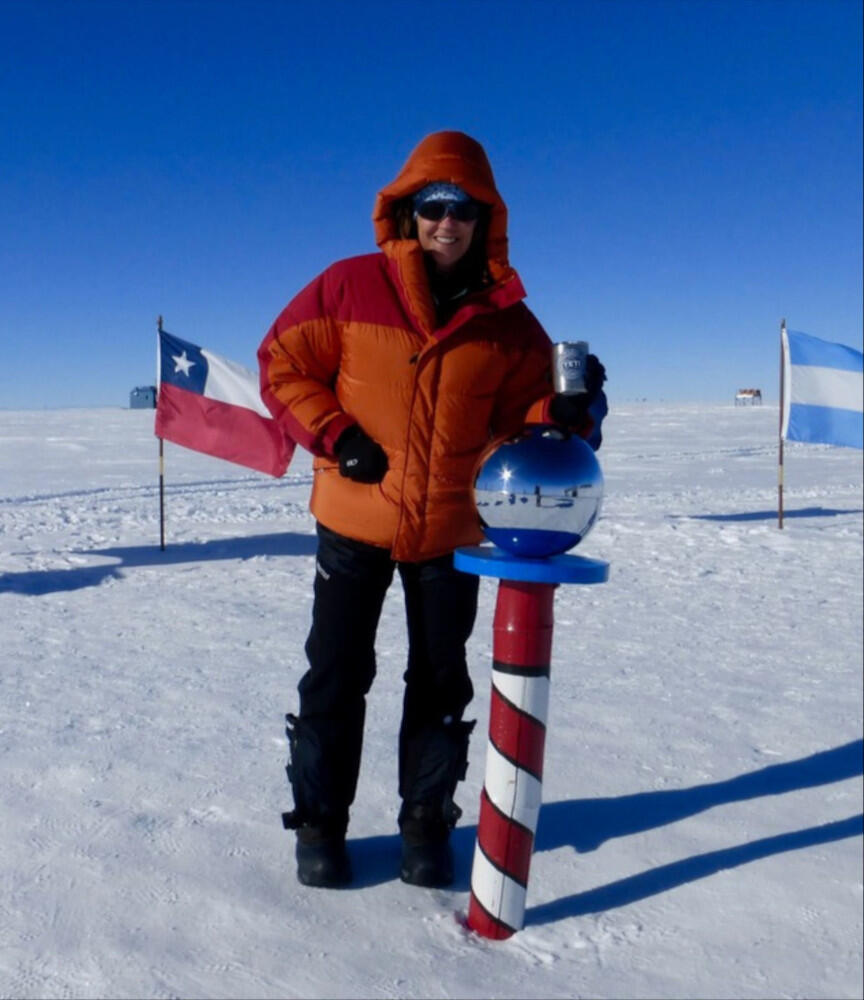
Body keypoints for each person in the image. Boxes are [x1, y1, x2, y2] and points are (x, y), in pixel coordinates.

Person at [256, 131, 606, 889]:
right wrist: (337, 432)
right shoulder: (348, 287)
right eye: (432, 205)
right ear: (408, 211)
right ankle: (319, 826)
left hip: (452, 531)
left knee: (441, 681)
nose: (447, 221)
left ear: (486, 219)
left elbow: (528, 417)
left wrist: (571, 402)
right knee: (335, 674)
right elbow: (281, 362)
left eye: (464, 209)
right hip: (354, 522)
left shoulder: (511, 322)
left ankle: (424, 826)